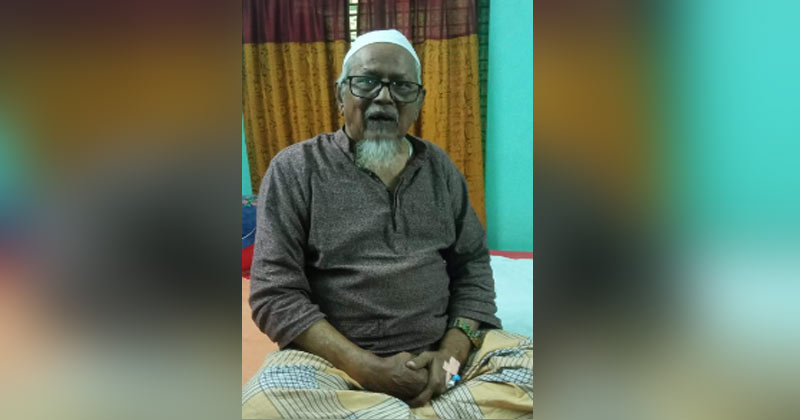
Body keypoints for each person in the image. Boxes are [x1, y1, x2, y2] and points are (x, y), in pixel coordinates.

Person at [242, 29, 532, 419]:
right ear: (340, 95)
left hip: (443, 361)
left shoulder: (439, 169)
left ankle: (400, 408)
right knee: (261, 407)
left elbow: (473, 268)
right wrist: (365, 368)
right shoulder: (296, 169)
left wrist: (449, 361)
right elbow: (275, 293)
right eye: (366, 82)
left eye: (401, 86)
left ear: (419, 102)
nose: (383, 97)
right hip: (334, 368)